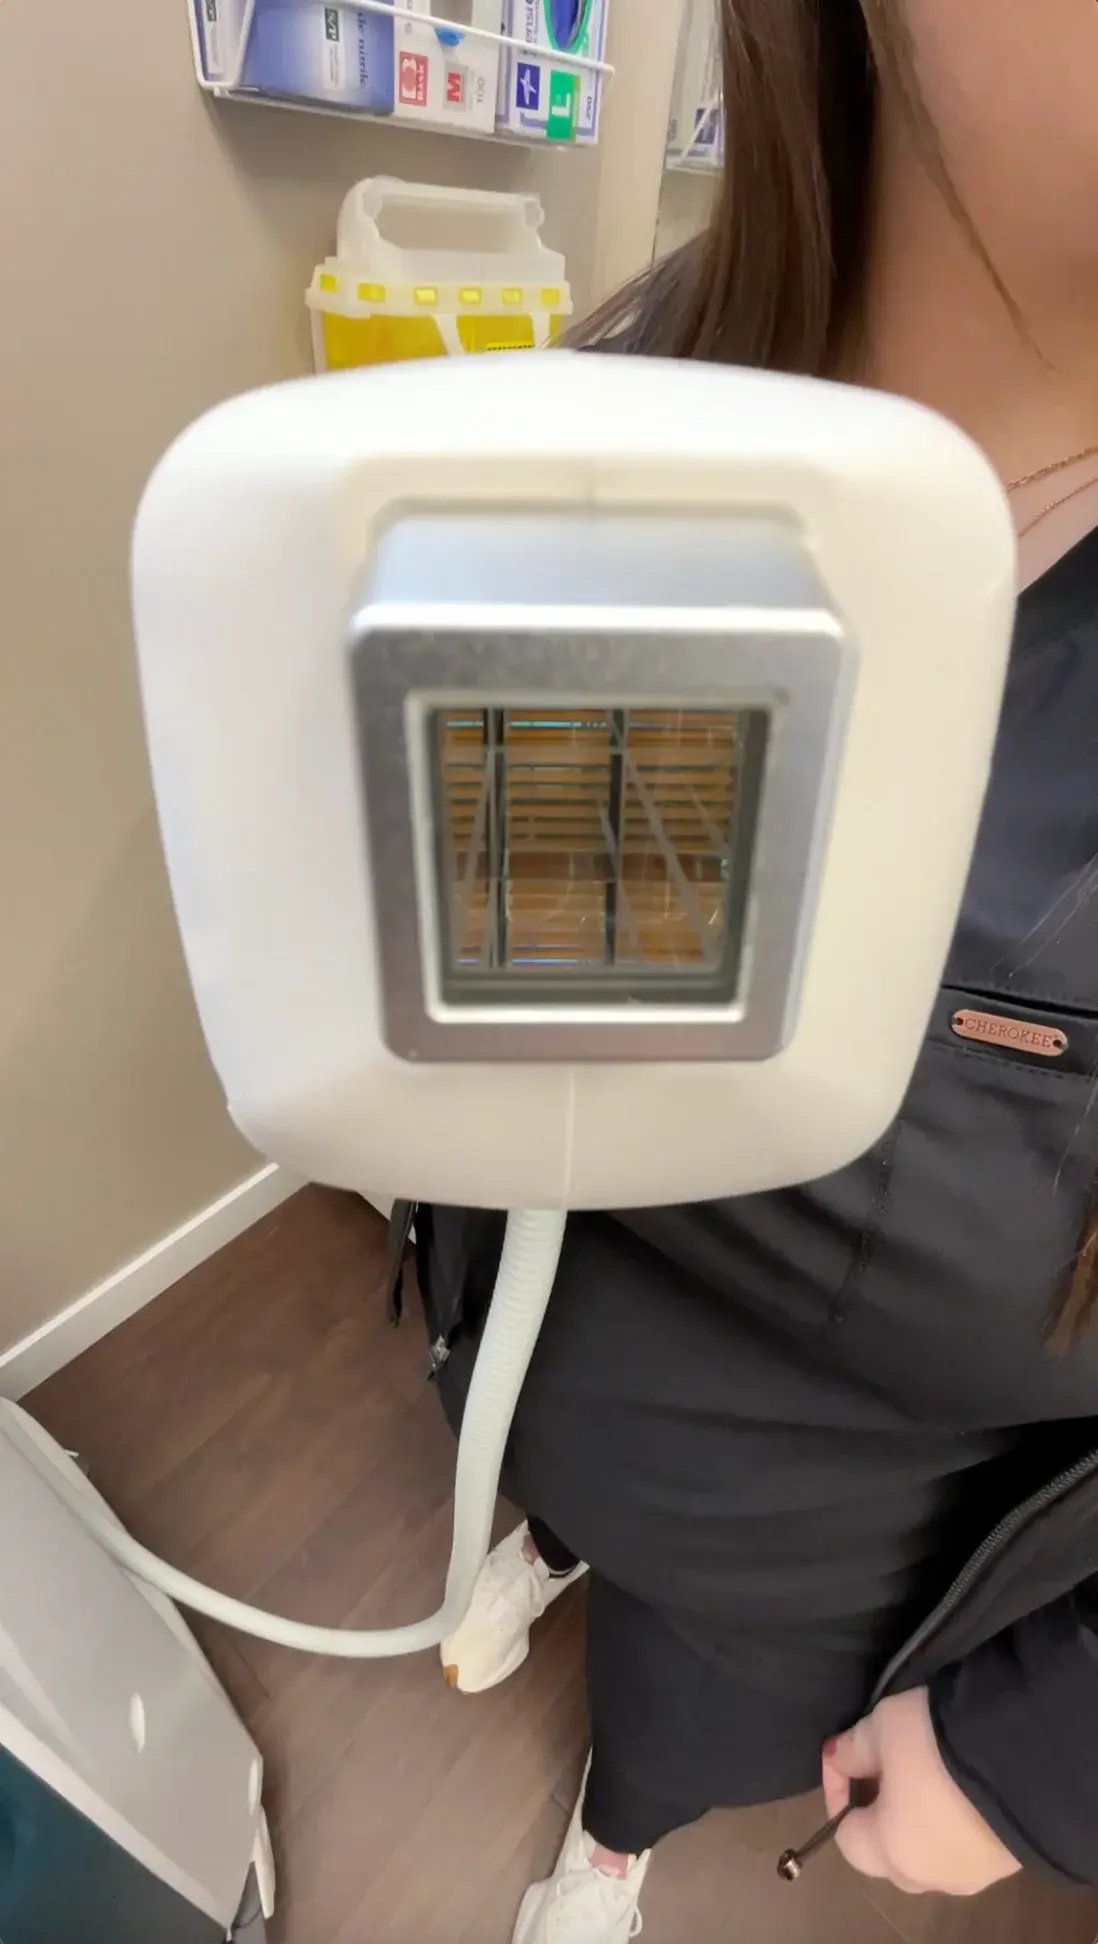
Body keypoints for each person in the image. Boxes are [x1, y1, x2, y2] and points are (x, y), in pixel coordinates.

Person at [409, 4, 1098, 1937]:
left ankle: (608, 1847)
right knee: (516, 1456)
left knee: (667, 1722)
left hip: (792, 1539)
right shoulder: (595, 410)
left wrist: (1044, 1748)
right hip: (518, 1323)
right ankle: (531, 1534)